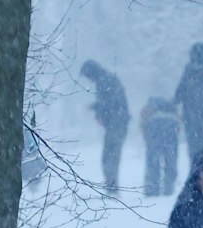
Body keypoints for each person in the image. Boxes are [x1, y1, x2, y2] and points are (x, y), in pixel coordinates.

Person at [78, 60, 129, 194]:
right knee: (110, 156)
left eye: (87, 76)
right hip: (117, 123)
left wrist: (98, 110)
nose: (88, 80)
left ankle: (112, 188)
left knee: (110, 156)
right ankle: (111, 186)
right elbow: (110, 102)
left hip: (117, 124)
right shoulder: (106, 79)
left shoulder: (105, 81)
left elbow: (110, 102)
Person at [172, 43, 203, 176]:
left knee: (194, 150)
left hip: (191, 118)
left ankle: (195, 177)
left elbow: (178, 95)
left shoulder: (189, 73)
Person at [140, 96, 181, 197]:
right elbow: (180, 125)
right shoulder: (172, 110)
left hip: (153, 127)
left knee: (153, 161)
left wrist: (148, 140)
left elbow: (142, 124)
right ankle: (169, 189)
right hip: (172, 127)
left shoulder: (148, 109)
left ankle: (152, 189)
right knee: (171, 160)